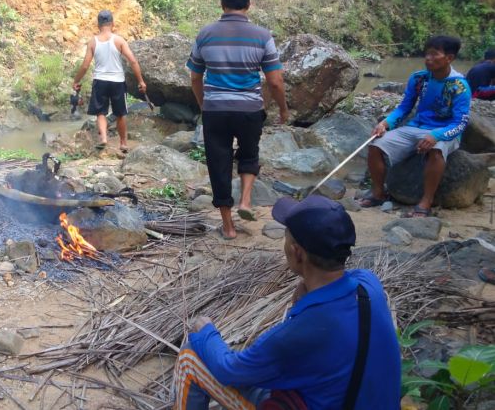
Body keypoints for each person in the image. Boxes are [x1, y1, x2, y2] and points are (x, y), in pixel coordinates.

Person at [173, 195, 401, 409]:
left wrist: (206, 332)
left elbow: (230, 370)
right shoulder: (368, 283)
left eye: (286, 237)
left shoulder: (300, 332)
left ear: (297, 252)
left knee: (191, 356)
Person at [187, 0, 289, 240]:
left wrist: (203, 105)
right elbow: (275, 81)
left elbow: (195, 77)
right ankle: (245, 201)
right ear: (249, 4)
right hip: (249, 110)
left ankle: (228, 226)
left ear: (221, 4)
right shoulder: (263, 36)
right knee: (248, 154)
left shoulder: (205, 34)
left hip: (215, 111)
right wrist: (284, 110)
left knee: (218, 164)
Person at [359, 35, 471, 217]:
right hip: (416, 127)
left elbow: (460, 123)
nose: (428, 58)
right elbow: (404, 108)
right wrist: (385, 123)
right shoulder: (418, 79)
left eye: (434, 54)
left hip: (445, 131)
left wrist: (437, 136)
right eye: (427, 54)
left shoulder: (459, 86)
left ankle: (425, 202)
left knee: (435, 150)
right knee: (375, 145)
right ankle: (378, 193)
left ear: (449, 58)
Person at [73, 10, 147, 152]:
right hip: (117, 81)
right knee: (120, 113)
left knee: (100, 112)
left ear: (98, 25)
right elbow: (132, 61)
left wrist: (76, 81)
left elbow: (85, 65)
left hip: (100, 80)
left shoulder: (93, 42)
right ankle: (123, 143)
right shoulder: (119, 40)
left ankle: (104, 139)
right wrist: (141, 81)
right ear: (112, 23)